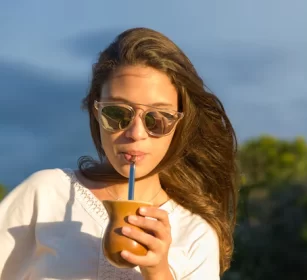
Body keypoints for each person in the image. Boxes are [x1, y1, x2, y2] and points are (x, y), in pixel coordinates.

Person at [0, 27, 238, 280]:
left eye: (157, 118)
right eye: (117, 114)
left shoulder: (195, 235)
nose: (136, 133)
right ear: (96, 112)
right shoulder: (46, 194)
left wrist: (157, 271)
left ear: (179, 123)